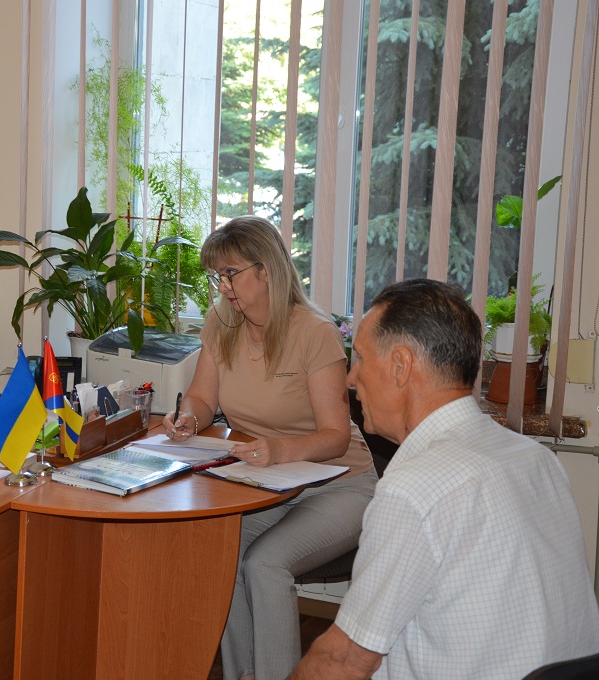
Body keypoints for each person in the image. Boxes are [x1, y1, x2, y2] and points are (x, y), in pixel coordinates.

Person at [289, 279, 599, 680]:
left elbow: (345, 661)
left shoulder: (416, 489)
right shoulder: (535, 459)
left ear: (401, 365)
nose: (351, 379)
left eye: (361, 359)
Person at [162, 216, 377, 680]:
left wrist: (278, 450)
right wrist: (188, 419)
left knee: (265, 564)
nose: (223, 287)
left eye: (230, 273)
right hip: (268, 482)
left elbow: (336, 436)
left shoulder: (313, 332)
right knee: (219, 551)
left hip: (341, 484)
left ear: (266, 270)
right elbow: (202, 399)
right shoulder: (221, 323)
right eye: (217, 276)